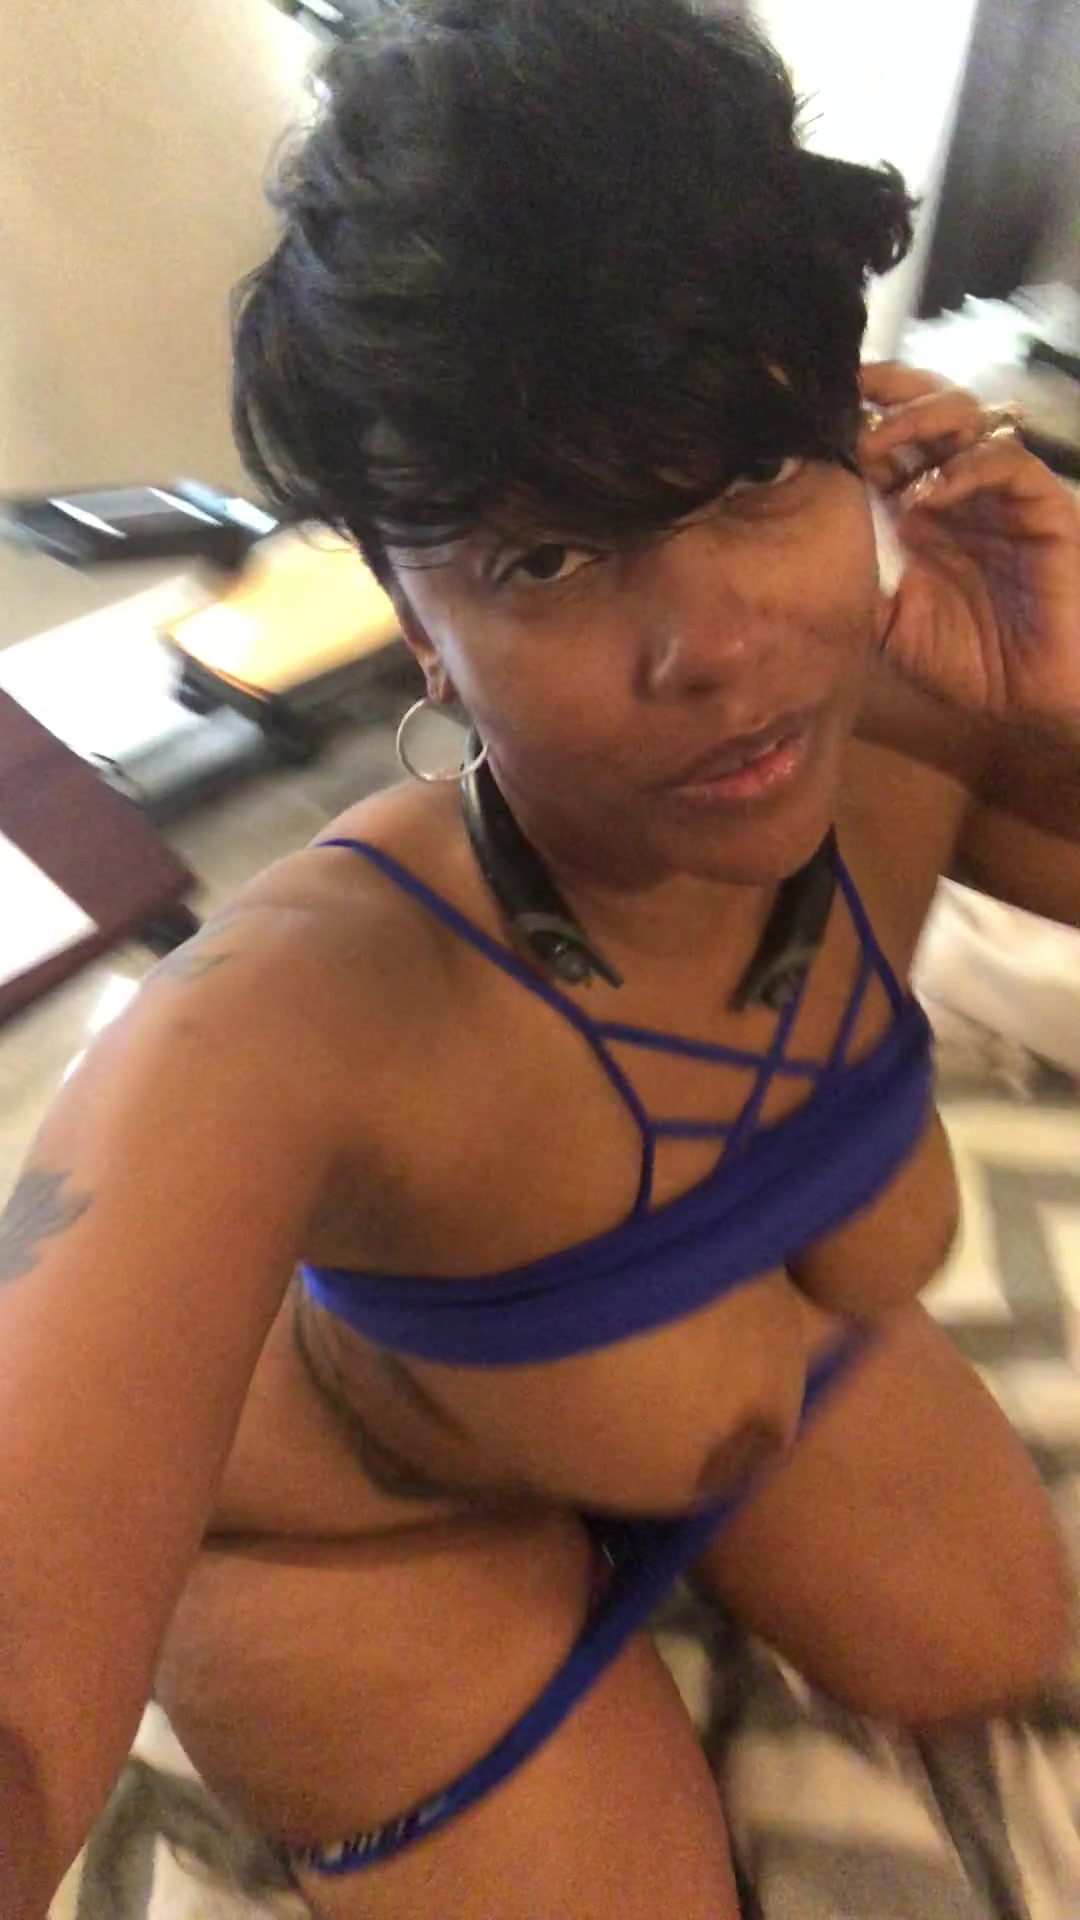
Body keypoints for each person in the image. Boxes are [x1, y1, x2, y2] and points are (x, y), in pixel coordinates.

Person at [2, 3, 1078, 1915]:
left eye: (751, 480)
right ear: (415, 620)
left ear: (864, 440)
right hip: (364, 1536)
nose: (717, 652)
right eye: (548, 562)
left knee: (985, 1643)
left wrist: (1070, 708)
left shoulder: (908, 724)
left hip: (744, 1366)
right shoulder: (285, 1021)